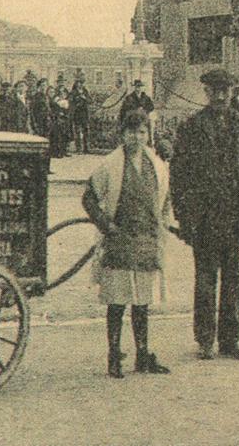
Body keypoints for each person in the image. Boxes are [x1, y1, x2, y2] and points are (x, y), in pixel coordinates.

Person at [170, 68, 239, 360]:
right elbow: (179, 175)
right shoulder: (192, 127)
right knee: (205, 280)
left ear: (233, 91)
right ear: (206, 93)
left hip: (238, 215)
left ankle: (230, 340)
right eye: (214, 90)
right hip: (205, 218)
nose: (220, 96)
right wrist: (184, 217)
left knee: (234, 278)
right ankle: (205, 340)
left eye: (225, 90)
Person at [81, 109, 174, 378]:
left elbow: (165, 199)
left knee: (142, 302)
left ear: (148, 134)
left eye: (142, 132)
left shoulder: (156, 165)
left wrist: (163, 225)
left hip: (146, 241)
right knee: (117, 302)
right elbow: (89, 198)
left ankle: (142, 356)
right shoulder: (110, 165)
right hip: (119, 240)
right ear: (122, 134)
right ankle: (113, 357)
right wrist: (106, 225)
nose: (136, 137)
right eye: (131, 132)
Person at [70, 76, 92, 154]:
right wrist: (77, 100)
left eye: (81, 83)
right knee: (78, 131)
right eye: (78, 83)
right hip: (77, 114)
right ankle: (78, 148)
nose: (80, 84)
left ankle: (86, 148)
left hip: (85, 114)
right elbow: (71, 102)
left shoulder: (85, 91)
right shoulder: (73, 92)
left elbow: (90, 100)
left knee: (86, 131)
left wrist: (84, 98)